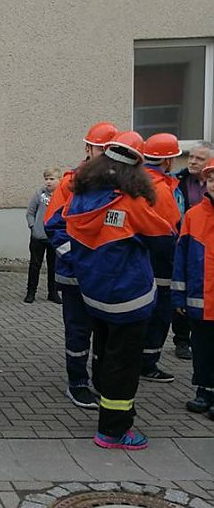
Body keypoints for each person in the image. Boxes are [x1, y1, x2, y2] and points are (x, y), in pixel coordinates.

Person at [65, 131, 174, 450]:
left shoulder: (80, 195)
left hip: (94, 295)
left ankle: (105, 401)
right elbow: (164, 239)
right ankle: (113, 430)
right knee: (124, 365)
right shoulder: (130, 201)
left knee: (104, 353)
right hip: (129, 297)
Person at [45, 121, 117, 409]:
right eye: (103, 149)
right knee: (78, 331)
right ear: (89, 149)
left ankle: (101, 380)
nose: (107, 155)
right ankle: (77, 382)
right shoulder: (70, 183)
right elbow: (54, 226)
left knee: (105, 330)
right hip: (76, 275)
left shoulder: (122, 184)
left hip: (108, 276)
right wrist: (80, 260)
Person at [139, 133, 183, 382]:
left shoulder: (133, 181)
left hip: (137, 258)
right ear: (167, 161)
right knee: (159, 314)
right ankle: (148, 362)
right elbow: (169, 231)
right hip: (159, 261)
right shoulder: (161, 191)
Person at [173, 157, 214, 419]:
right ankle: (204, 391)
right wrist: (179, 295)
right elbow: (181, 258)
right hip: (200, 300)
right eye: (210, 179)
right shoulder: (194, 215)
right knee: (202, 349)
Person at [24, 167, 62, 304]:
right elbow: (30, 213)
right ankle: (31, 292)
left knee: (54, 266)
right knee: (35, 265)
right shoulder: (39, 194)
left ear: (59, 180)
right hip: (38, 236)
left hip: (54, 237)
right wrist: (33, 227)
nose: (48, 182)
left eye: (52, 179)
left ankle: (53, 292)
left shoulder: (62, 196)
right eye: (46, 179)